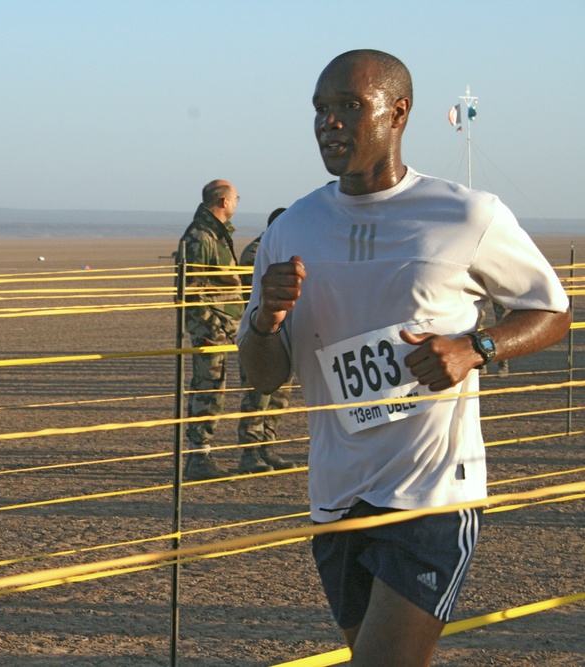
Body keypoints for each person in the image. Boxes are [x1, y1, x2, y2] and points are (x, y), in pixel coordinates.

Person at [238, 49, 569, 666]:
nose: (328, 123)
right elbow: (264, 376)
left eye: (348, 107)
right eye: (319, 109)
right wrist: (264, 320)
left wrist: (477, 347)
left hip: (432, 493)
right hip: (336, 495)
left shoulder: (466, 213)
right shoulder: (292, 229)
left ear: (399, 112)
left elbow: (553, 311)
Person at [179, 180, 246, 481]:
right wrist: (211, 325)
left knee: (215, 387)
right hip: (211, 327)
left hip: (225, 325)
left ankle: (202, 452)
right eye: (235, 199)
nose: (236, 203)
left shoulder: (215, 233)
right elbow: (190, 291)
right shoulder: (200, 236)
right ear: (223, 201)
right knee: (207, 388)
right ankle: (199, 455)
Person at [236, 207, 297, 473]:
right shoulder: (257, 252)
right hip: (258, 333)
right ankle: (249, 454)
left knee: (279, 397)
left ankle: (267, 447)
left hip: (285, 334)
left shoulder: (286, 253)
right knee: (256, 397)